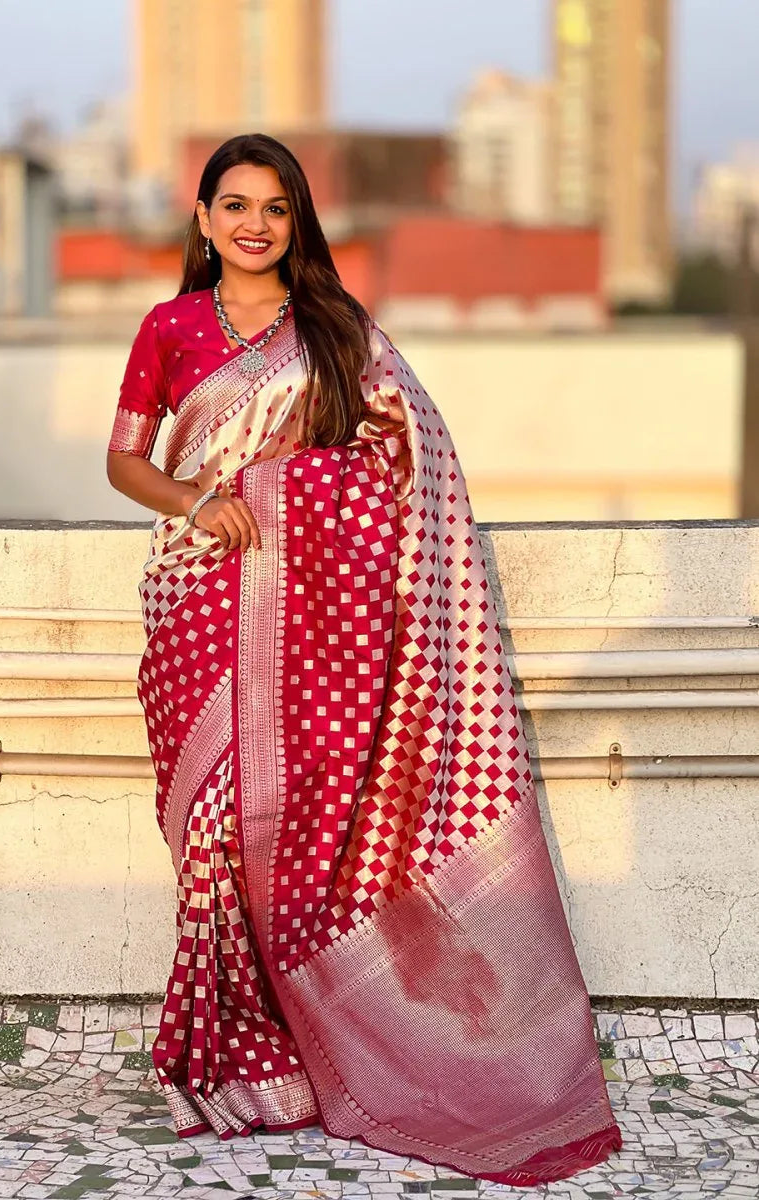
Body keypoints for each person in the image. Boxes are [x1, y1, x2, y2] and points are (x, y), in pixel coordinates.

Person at [106, 132, 622, 1187]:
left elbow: (409, 456)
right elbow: (124, 462)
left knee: (292, 830)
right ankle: (235, 1062)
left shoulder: (337, 330)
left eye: (275, 207)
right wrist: (202, 501)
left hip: (315, 623)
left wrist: (282, 497)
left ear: (297, 221)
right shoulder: (168, 327)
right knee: (210, 836)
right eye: (235, 205)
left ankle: (311, 1056)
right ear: (203, 219)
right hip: (195, 601)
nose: (254, 224)